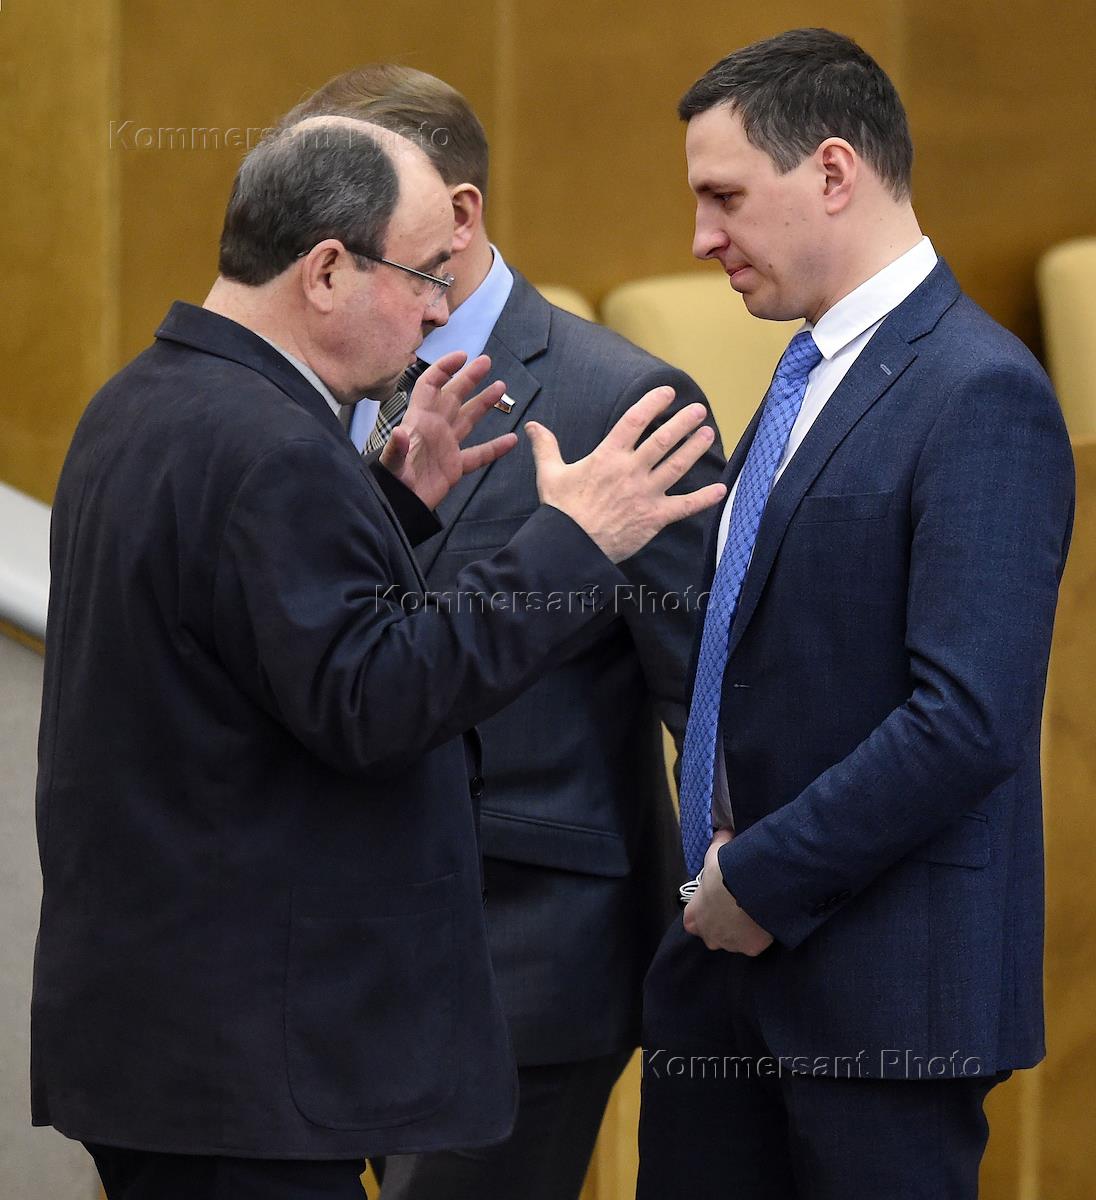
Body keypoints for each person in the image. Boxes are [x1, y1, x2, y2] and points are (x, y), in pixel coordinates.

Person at [30, 115, 726, 1200]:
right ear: (324, 271)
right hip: (249, 1056)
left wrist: (389, 510)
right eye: (423, 277)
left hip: (157, 1034)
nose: (440, 311)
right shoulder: (276, 449)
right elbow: (376, 702)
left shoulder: (139, 404)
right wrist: (573, 539)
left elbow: (255, 641)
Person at [638, 28, 1075, 1200]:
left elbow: (966, 720)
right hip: (718, 985)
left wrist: (757, 881)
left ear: (832, 170)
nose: (701, 239)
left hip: (878, 1009)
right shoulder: (802, 374)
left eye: (724, 197)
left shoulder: (980, 390)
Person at [279, 67, 726, 1200]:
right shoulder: (310, 380)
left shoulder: (624, 400)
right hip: (323, 957)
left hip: (529, 960)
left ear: (458, 214)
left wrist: (737, 898)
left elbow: (703, 690)